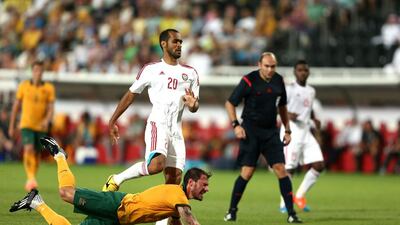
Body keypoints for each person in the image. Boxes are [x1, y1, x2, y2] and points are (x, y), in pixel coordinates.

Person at [10, 136, 210, 225]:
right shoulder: (177, 193)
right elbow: (189, 219)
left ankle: (36, 202)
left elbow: (177, 221)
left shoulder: (176, 203)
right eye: (204, 184)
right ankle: (60, 155)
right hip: (116, 206)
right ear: (191, 183)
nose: (207, 189)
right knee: (65, 193)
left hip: (119, 219)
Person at [102, 28, 199, 193]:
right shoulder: (151, 69)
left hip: (176, 129)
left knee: (174, 182)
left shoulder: (190, 73)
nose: (179, 45)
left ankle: (162, 219)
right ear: (163, 44)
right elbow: (131, 94)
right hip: (158, 124)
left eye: (181, 42)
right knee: (156, 166)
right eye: (175, 41)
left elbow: (195, 106)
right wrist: (113, 120)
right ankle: (117, 179)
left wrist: (192, 104)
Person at [223, 52, 301, 223]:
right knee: (247, 172)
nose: (270, 69)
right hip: (250, 131)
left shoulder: (279, 81)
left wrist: (287, 130)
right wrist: (236, 125)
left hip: (271, 132)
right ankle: (232, 211)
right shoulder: (248, 80)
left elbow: (282, 107)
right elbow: (230, 103)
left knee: (281, 170)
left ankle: (291, 214)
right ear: (259, 64)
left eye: (273, 66)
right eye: (266, 66)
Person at [279, 60, 325, 213]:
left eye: (305, 70)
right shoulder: (290, 89)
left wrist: (314, 119)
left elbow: (308, 107)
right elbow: (279, 106)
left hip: (306, 129)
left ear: (309, 72)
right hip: (291, 130)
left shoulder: (311, 91)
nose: (302, 72)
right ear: (295, 72)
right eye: (299, 70)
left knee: (319, 165)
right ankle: (284, 203)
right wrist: (288, 114)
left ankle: (299, 195)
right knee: (289, 169)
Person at [8, 60, 55, 191]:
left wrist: (47, 120)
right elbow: (16, 107)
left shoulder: (48, 88)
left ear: (43, 72)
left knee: (37, 154)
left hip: (41, 127)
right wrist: (12, 126)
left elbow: (51, 108)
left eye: (40, 70)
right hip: (26, 124)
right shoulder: (24, 86)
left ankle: (32, 177)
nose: (38, 73)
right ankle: (30, 178)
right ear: (32, 72)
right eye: (35, 70)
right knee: (28, 149)